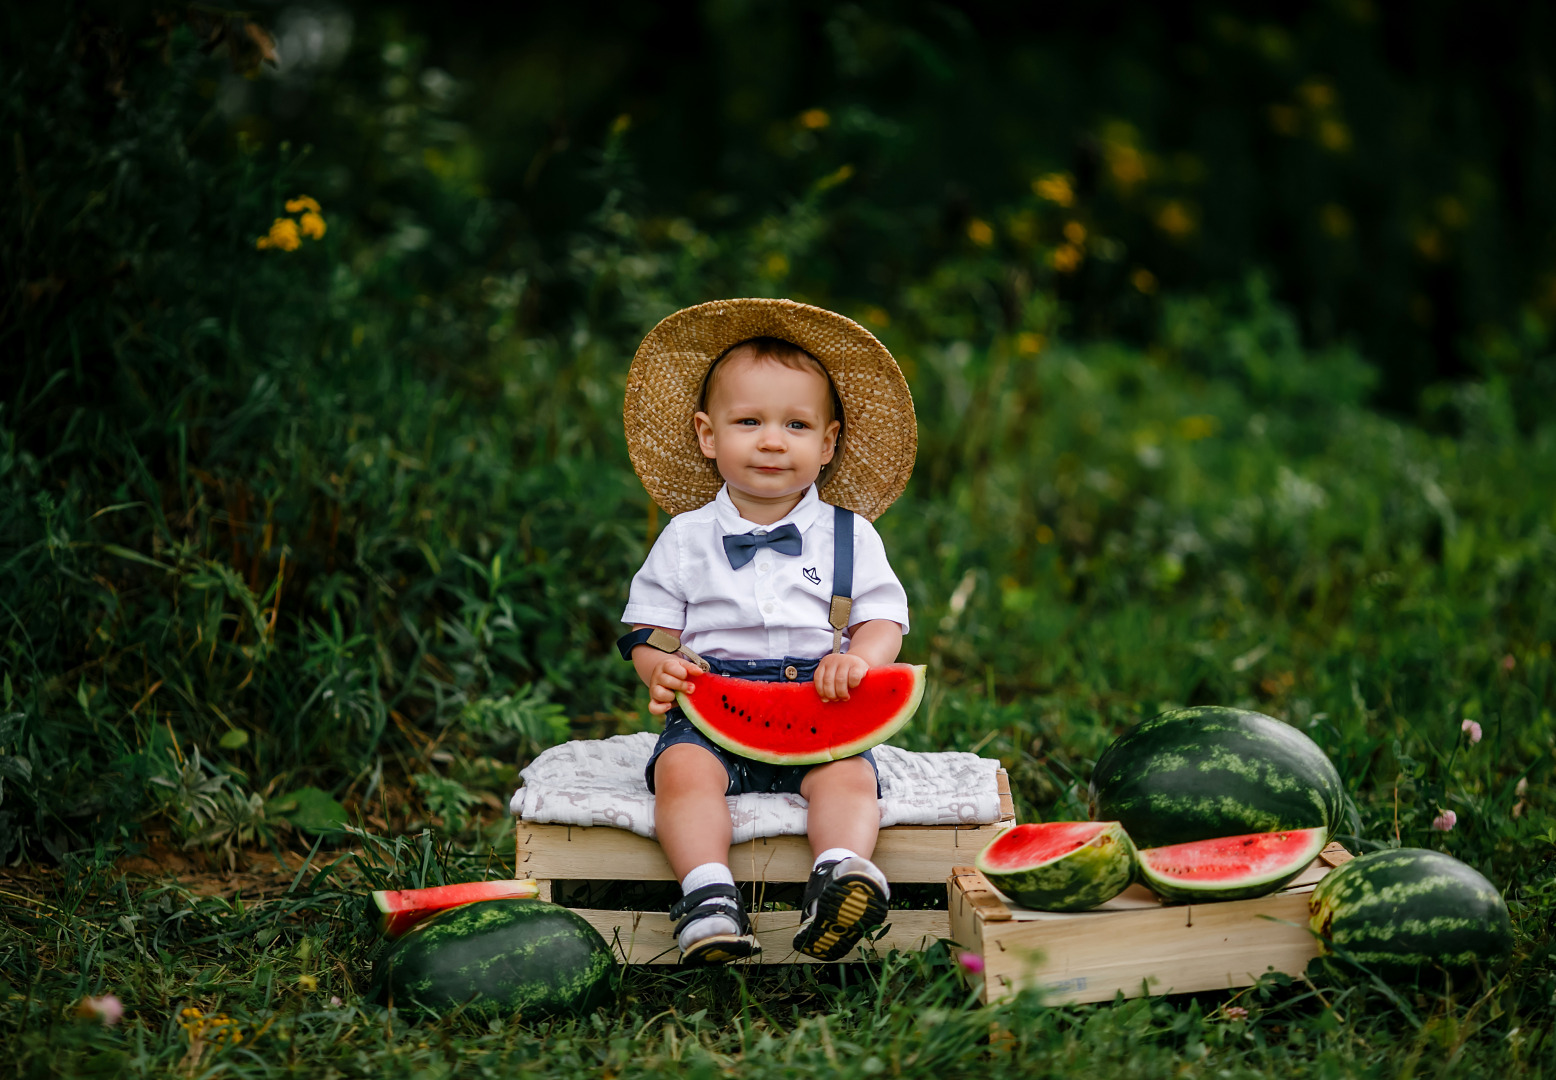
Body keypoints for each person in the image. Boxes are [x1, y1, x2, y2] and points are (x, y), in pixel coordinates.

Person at [616, 298, 918, 965]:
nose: (772, 440)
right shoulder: (686, 536)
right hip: (709, 700)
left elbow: (883, 617)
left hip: (823, 699)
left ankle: (838, 876)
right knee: (682, 774)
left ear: (828, 442)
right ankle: (708, 897)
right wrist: (660, 665)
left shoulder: (851, 534)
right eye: (748, 421)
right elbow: (649, 625)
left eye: (796, 424)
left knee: (848, 777)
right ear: (707, 434)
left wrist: (861, 661)